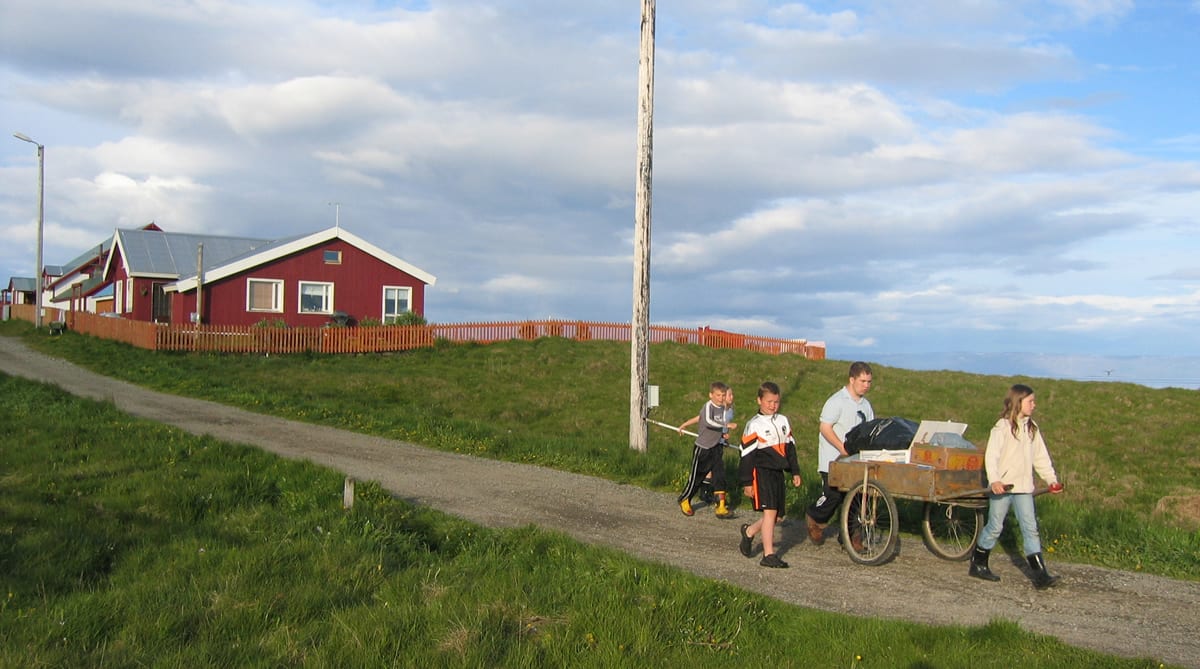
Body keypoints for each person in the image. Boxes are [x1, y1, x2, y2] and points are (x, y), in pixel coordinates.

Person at [969, 383, 1064, 589]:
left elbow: (1041, 457)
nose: (1034, 405)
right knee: (995, 527)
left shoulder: (1032, 428)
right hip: (1003, 487)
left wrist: (1051, 480)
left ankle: (1041, 576)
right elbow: (991, 456)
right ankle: (978, 564)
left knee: (1030, 529)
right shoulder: (1001, 428)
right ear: (1018, 402)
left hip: (1024, 488)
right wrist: (994, 480)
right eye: (1030, 401)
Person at [805, 362, 874, 548]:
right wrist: (841, 447)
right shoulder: (836, 401)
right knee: (833, 496)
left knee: (856, 498)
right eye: (862, 381)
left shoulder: (866, 406)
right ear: (852, 380)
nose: (866, 385)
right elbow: (825, 428)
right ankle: (815, 517)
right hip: (833, 459)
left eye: (869, 381)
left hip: (854, 462)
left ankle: (850, 538)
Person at [737, 382, 802, 568]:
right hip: (761, 473)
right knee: (770, 512)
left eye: (776, 402)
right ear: (759, 401)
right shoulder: (754, 425)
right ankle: (768, 555)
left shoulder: (783, 421)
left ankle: (749, 532)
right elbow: (746, 457)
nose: (772, 405)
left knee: (777, 516)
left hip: (778, 473)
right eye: (769, 401)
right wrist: (747, 482)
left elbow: (790, 449)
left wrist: (795, 471)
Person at [677, 382, 737, 518]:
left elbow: (721, 426)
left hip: (716, 448)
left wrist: (724, 436)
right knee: (697, 477)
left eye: (723, 395)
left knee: (719, 475)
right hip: (703, 448)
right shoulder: (708, 407)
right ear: (711, 395)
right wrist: (725, 425)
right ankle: (685, 498)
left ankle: (721, 505)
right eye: (718, 395)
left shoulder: (724, 409)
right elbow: (709, 422)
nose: (721, 398)